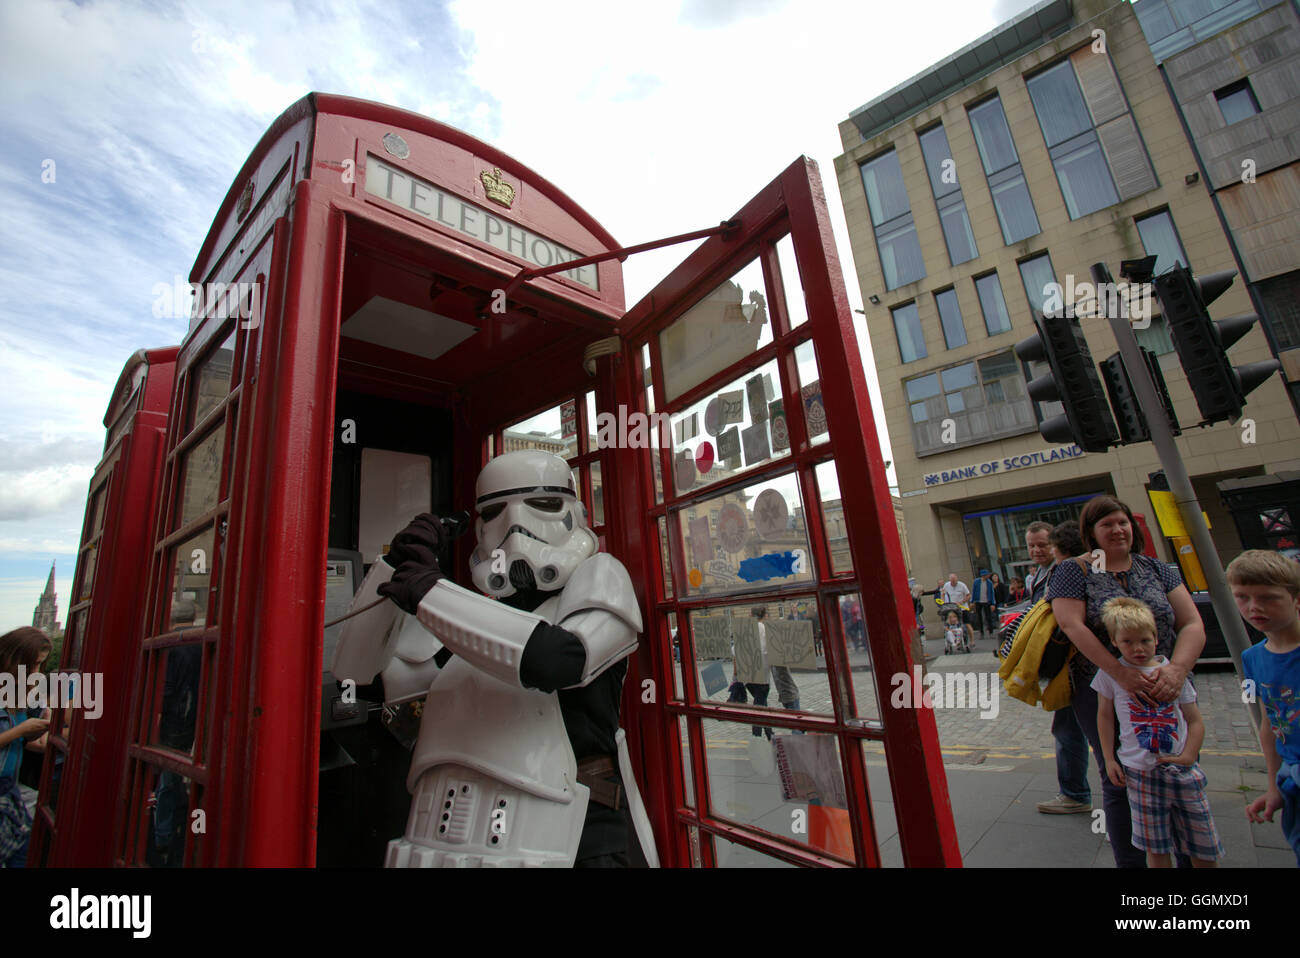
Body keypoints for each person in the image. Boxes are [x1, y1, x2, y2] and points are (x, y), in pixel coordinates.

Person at [333, 449, 654, 868]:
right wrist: (393, 567)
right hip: (451, 839)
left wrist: (431, 593)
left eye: (542, 504)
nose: (515, 527)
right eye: (494, 511)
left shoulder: (600, 577)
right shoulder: (472, 620)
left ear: (577, 512)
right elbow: (358, 673)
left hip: (573, 832)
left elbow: (558, 660)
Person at [1048, 495, 1205, 867]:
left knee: (1180, 771)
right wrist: (1121, 675)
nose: (1118, 530)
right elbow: (1072, 625)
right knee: (1119, 777)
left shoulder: (1159, 568)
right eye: (1107, 525)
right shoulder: (1074, 570)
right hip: (1103, 692)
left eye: (1122, 522)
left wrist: (1177, 671)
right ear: (1091, 533)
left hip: (1166, 689)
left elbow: (1192, 623)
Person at [1093, 597, 1221, 868]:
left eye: (1144, 640)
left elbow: (1194, 720)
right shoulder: (1110, 675)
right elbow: (1104, 717)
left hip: (1182, 772)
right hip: (1140, 774)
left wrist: (1189, 756)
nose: (1138, 648)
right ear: (1114, 642)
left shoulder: (1173, 674)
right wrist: (1109, 758)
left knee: (1202, 847)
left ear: (1156, 637)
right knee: (1155, 848)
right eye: (1127, 642)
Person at [1227, 549, 1300, 865]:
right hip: (1291, 779)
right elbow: (1268, 724)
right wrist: (1273, 788)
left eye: (1268, 598)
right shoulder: (1252, 658)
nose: (1253, 607)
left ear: (1296, 598)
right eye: (1242, 597)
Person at [1024, 519, 1092, 816]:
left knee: (1070, 728)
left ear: (1056, 545)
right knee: (1071, 727)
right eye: (1032, 546)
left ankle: (1075, 793)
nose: (1037, 550)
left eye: (1042, 544)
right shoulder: (1039, 574)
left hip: (1074, 662)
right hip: (1065, 663)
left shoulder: (1064, 571)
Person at [0, 627, 51, 869]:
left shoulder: (19, 697)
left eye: (40, 666)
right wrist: (21, 731)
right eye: (33, 665)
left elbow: (34, 743)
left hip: (9, 791)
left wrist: (39, 727)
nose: (36, 673)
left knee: (25, 850)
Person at [971, 569, 996, 637]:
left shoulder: (989, 582)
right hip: (978, 601)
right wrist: (972, 601)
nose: (988, 576)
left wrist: (993, 603)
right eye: (987, 575)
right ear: (983, 575)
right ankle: (981, 632)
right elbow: (973, 591)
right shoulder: (976, 582)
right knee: (979, 617)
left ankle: (991, 632)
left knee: (988, 617)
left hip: (987, 601)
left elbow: (991, 593)